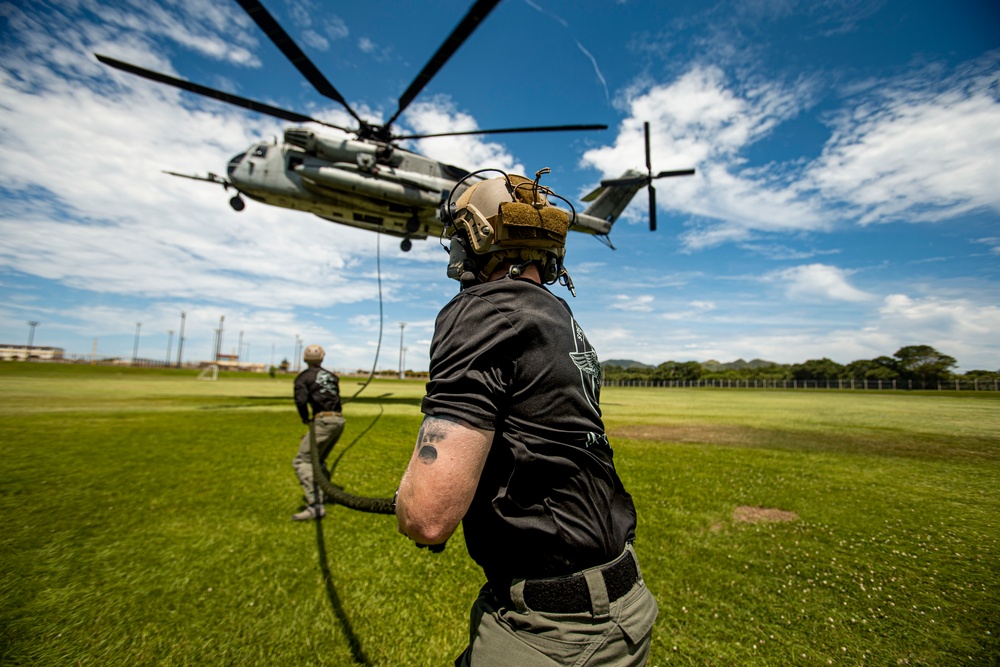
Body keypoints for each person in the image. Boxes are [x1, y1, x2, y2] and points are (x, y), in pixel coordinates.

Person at [395, 169, 658, 665]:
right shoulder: (560, 317)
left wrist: (409, 496)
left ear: (477, 237)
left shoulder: (479, 310)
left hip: (555, 631)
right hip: (624, 601)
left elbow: (427, 518)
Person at [291, 344, 344, 521]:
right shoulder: (332, 376)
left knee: (303, 460)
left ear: (305, 358)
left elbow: (300, 401)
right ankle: (326, 493)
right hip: (338, 420)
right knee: (318, 458)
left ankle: (315, 504)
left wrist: (306, 419)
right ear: (322, 357)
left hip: (323, 420)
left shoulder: (302, 378)